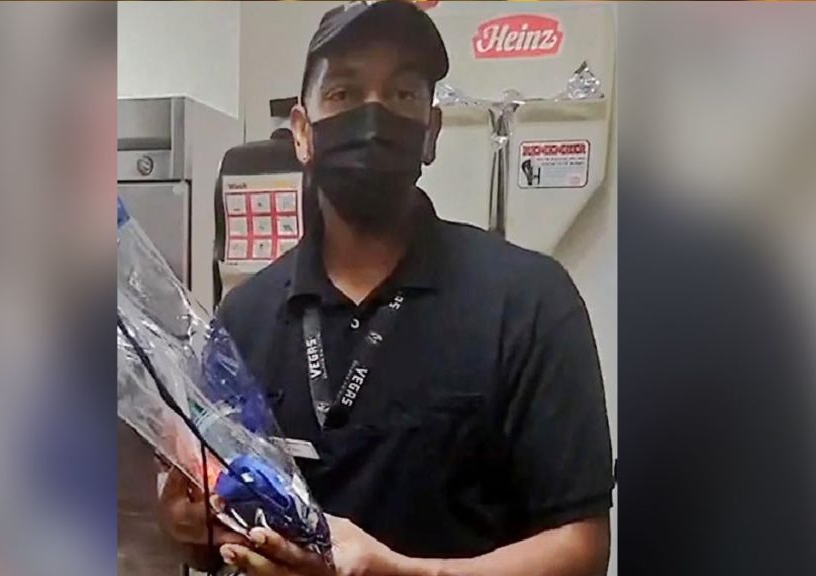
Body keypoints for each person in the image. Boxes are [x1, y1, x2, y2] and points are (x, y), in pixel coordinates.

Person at [160, 2, 614, 575]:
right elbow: (220, 528)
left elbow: (582, 548)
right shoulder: (243, 318)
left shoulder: (529, 302)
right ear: (302, 132)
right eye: (344, 94)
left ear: (431, 133)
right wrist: (191, 523)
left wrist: (406, 574)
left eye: (401, 94)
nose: (372, 117)